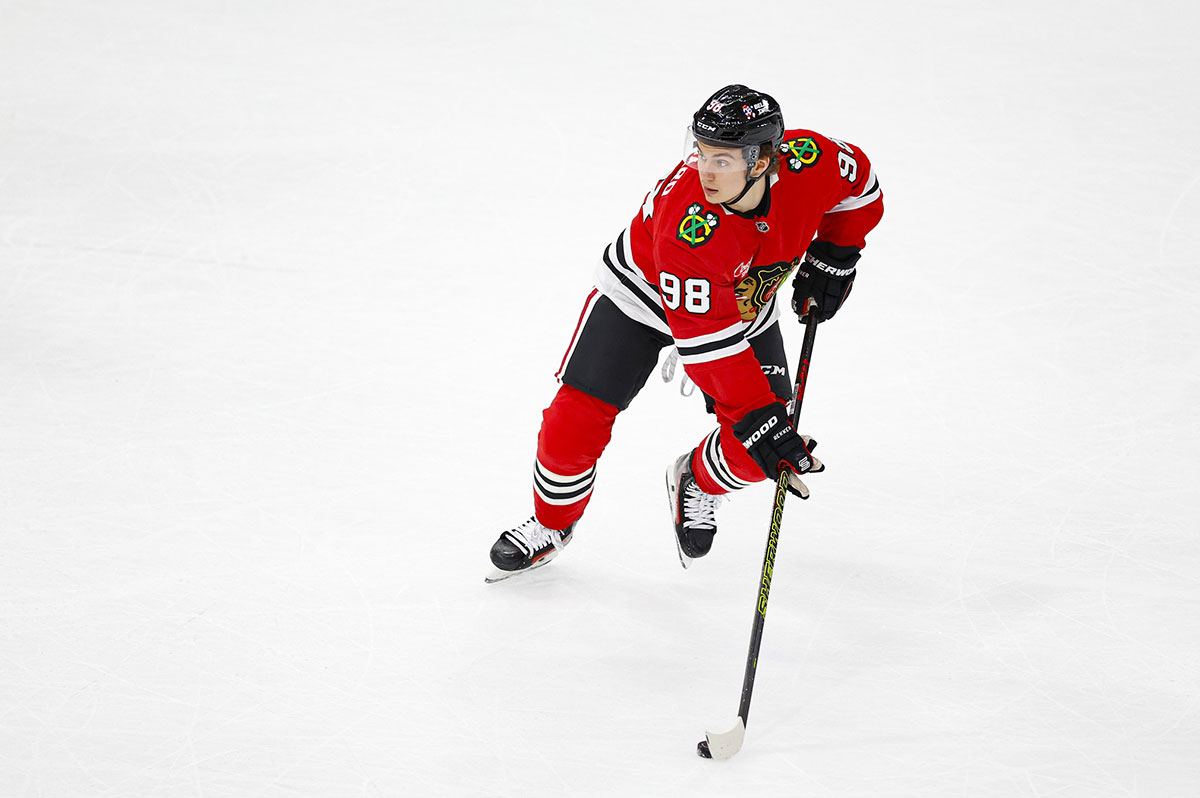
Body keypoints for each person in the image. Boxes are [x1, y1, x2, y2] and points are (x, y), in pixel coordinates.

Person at [486, 84, 884, 582]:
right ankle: (551, 524)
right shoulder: (690, 224)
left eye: (722, 160)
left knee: (759, 453)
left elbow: (862, 187)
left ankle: (695, 481)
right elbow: (709, 347)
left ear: (763, 162)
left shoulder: (813, 159)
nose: (704, 170)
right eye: (701, 153)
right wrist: (755, 414)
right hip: (643, 297)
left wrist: (837, 253)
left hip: (741, 305)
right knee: (572, 424)